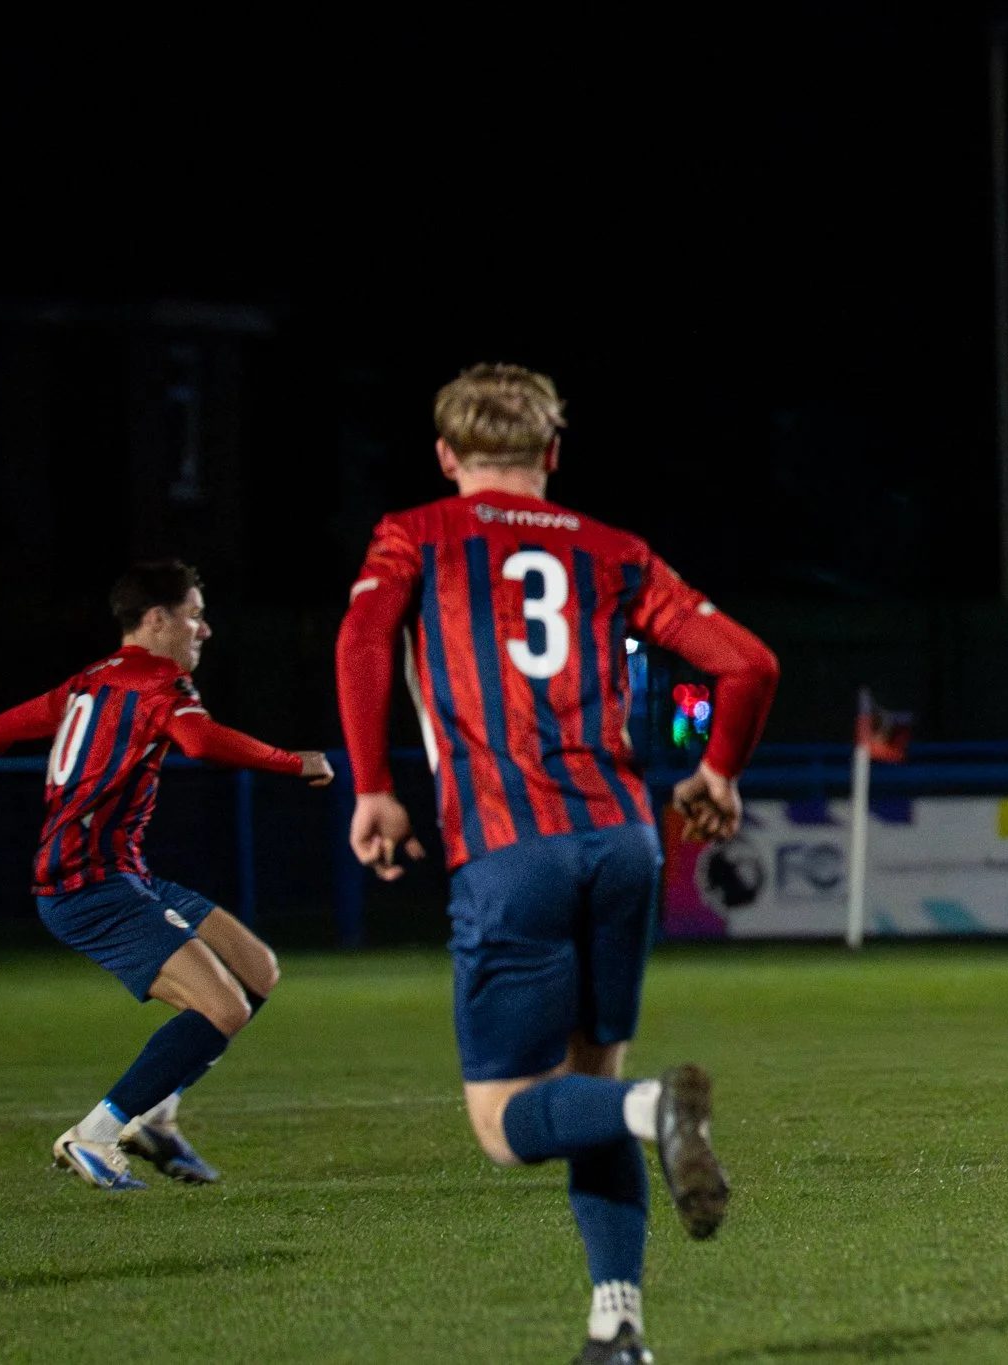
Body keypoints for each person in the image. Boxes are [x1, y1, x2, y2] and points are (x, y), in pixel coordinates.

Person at [335, 363, 779, 1365]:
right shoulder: (613, 551)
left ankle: (653, 1110)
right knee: (588, 1079)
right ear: (553, 455)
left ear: (446, 457)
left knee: (504, 1125)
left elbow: (363, 637)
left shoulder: (417, 533)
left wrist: (370, 784)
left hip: (511, 843)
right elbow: (748, 665)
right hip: (624, 842)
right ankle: (616, 1328)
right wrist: (715, 773)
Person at [0, 561, 332, 1189]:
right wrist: (293, 762)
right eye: (194, 614)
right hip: (88, 885)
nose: (205, 629)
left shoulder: (91, 682)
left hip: (121, 875)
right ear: (158, 618)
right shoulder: (159, 685)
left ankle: (156, 1119)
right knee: (221, 1007)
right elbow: (200, 743)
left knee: (256, 971)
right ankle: (95, 1133)